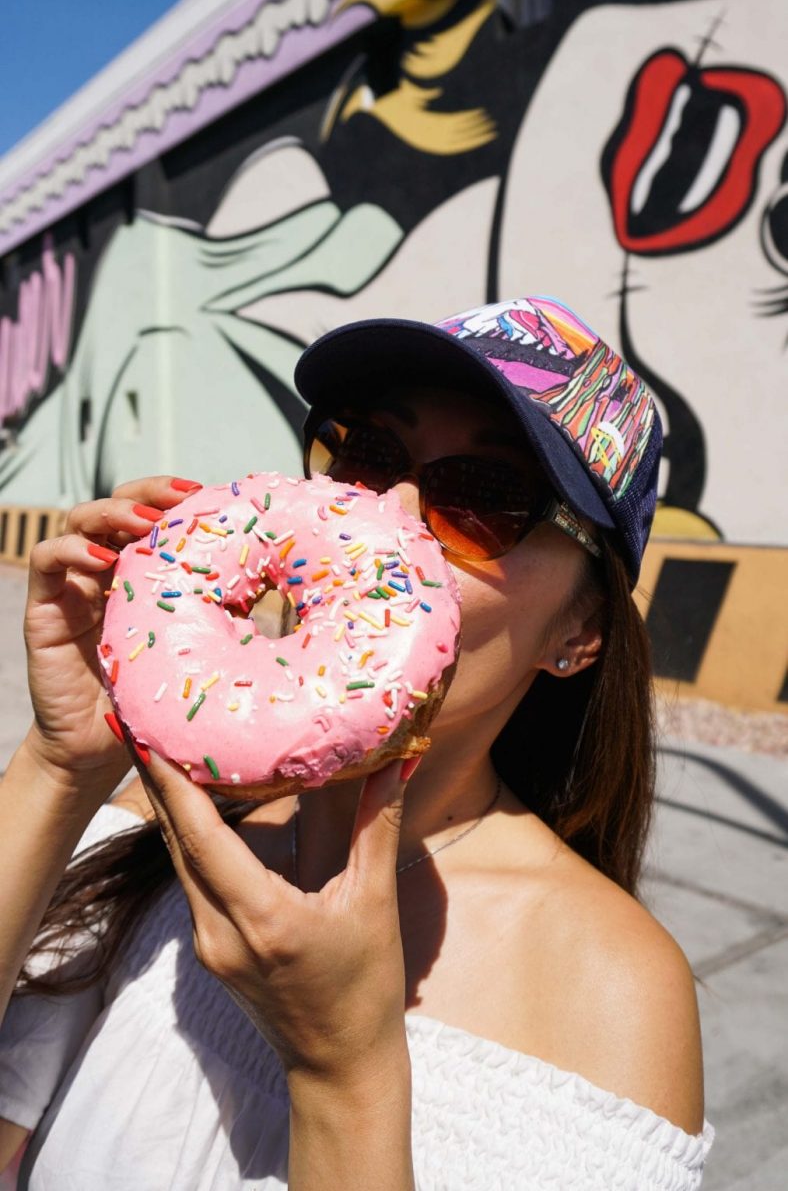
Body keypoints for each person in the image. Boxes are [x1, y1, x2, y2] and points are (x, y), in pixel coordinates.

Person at [0, 297, 712, 1189]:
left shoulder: (615, 989)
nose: (386, 515)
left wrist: (342, 1074)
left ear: (581, 629)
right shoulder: (167, 815)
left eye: (480, 499)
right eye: (369, 457)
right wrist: (59, 764)